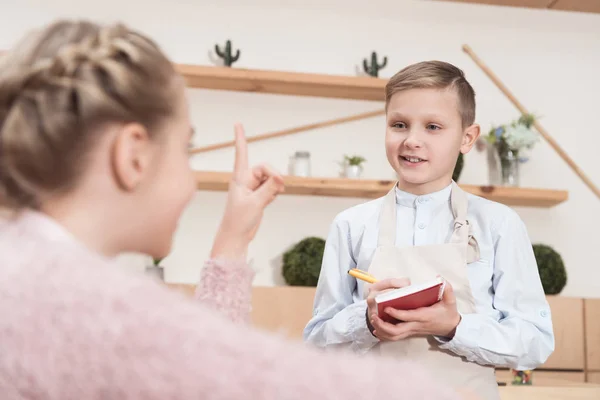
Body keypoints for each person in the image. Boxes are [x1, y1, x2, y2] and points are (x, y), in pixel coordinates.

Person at [0, 20, 469, 400]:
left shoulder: (27, 269)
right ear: (133, 156)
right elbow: (249, 380)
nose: (188, 176)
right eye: (186, 149)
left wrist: (234, 237)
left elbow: (195, 361)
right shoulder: (90, 305)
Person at [303, 60, 555, 399]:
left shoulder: (498, 224)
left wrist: (455, 328)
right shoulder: (351, 225)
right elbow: (315, 342)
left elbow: (535, 342)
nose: (412, 140)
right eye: (399, 124)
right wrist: (365, 321)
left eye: (433, 127)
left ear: (467, 138)